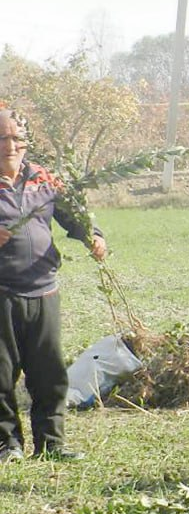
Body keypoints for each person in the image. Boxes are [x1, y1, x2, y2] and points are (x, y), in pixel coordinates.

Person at [0, 108, 107, 462]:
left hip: (44, 291)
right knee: (1, 375)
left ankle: (52, 443)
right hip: (2, 294)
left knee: (49, 373)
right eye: (3, 138)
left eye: (18, 138)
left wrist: (92, 236)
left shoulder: (45, 179)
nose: (11, 145)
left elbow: (74, 216)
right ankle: (7, 444)